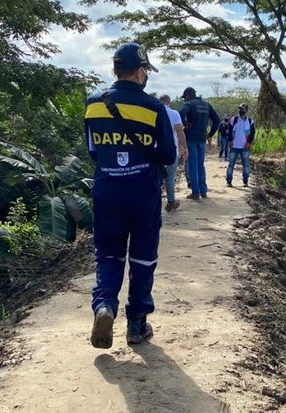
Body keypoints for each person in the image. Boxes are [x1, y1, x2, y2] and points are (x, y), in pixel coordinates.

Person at [84, 42, 176, 348]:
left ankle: (105, 306)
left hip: (107, 189)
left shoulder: (93, 104)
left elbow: (93, 152)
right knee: (143, 256)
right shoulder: (154, 108)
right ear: (140, 72)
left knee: (108, 253)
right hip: (143, 191)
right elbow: (167, 154)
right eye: (146, 70)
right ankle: (136, 324)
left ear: (115, 70)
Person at [178, 87, 220, 200]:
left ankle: (195, 192)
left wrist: (185, 123)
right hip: (202, 139)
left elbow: (180, 113)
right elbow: (217, 120)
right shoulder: (206, 105)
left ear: (187, 96)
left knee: (193, 165)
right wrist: (210, 134)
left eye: (184, 98)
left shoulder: (189, 104)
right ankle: (203, 191)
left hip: (191, 138)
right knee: (200, 164)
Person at [159, 94, 189, 211]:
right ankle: (171, 202)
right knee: (169, 179)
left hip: (155, 152)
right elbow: (180, 132)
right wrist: (184, 148)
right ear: (169, 102)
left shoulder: (153, 113)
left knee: (157, 178)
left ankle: (154, 204)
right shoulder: (174, 114)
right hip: (171, 151)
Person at [226, 102, 256, 187]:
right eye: (240, 109)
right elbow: (230, 132)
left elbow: (252, 133)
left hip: (245, 147)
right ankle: (229, 181)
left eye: (242, 109)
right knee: (231, 165)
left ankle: (245, 181)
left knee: (246, 165)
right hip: (234, 146)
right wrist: (230, 141)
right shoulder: (233, 120)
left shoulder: (250, 121)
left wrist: (249, 142)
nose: (241, 111)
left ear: (246, 110)